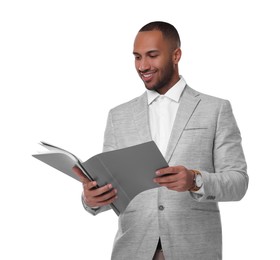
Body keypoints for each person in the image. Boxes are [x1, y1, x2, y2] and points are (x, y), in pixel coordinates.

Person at [73, 21, 248, 260]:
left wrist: (195, 180)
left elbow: (238, 182)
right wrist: (92, 199)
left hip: (195, 251)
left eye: (152, 56)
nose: (143, 66)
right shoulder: (118, 116)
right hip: (132, 251)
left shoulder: (215, 109)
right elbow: (112, 190)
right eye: (137, 57)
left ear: (176, 55)